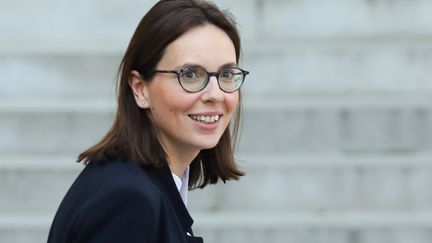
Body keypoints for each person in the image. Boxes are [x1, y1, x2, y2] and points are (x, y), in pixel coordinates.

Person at [47, 0, 249, 242]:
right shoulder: (129, 198)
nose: (215, 94)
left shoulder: (146, 185)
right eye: (191, 74)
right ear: (140, 89)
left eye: (227, 74)